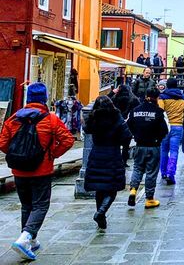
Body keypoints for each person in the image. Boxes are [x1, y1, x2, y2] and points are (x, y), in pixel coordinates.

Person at [0, 82, 74, 260]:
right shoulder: (50, 119)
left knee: (26, 205)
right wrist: (52, 155)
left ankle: (30, 240)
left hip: (18, 171)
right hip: (41, 170)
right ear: (45, 99)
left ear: (28, 98)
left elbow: (2, 143)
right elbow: (68, 140)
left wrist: (18, 155)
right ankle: (25, 238)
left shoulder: (13, 118)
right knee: (40, 205)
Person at [84, 95, 132, 231]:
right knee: (112, 187)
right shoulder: (117, 117)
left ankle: (101, 216)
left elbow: (86, 130)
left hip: (97, 153)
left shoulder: (93, 117)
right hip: (112, 154)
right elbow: (127, 136)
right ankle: (101, 212)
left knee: (100, 188)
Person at [127, 88, 168, 209]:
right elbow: (165, 130)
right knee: (151, 171)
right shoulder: (159, 112)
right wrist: (158, 138)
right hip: (154, 146)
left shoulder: (135, 111)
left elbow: (128, 126)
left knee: (137, 168)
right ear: (157, 98)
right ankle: (149, 199)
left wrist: (136, 135)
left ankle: (133, 190)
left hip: (139, 144)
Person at [158, 78, 184, 184]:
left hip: (166, 126)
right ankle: (171, 173)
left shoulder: (162, 97)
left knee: (164, 150)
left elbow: (160, 112)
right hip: (178, 126)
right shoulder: (183, 99)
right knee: (174, 151)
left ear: (167, 86)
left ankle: (163, 172)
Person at [112, 84, 139, 166]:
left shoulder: (115, 98)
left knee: (115, 143)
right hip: (128, 123)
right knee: (126, 145)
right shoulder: (133, 99)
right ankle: (124, 161)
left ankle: (115, 160)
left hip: (117, 123)